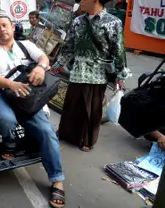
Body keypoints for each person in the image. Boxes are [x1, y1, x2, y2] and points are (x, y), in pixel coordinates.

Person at [0, 10, 65, 208]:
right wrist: (11, 85)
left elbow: (44, 57)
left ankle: (57, 179)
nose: (2, 30)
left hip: (28, 96)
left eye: (5, 25)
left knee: (47, 131)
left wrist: (40, 68)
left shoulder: (25, 45)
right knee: (5, 119)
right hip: (4, 95)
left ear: (12, 27)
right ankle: (9, 142)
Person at [51, 0, 131, 152]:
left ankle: (87, 140)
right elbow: (69, 47)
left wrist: (121, 75)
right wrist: (57, 66)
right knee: (71, 105)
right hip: (77, 72)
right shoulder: (77, 21)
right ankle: (67, 133)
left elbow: (119, 50)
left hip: (97, 74)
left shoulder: (113, 22)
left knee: (91, 109)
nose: (81, 1)